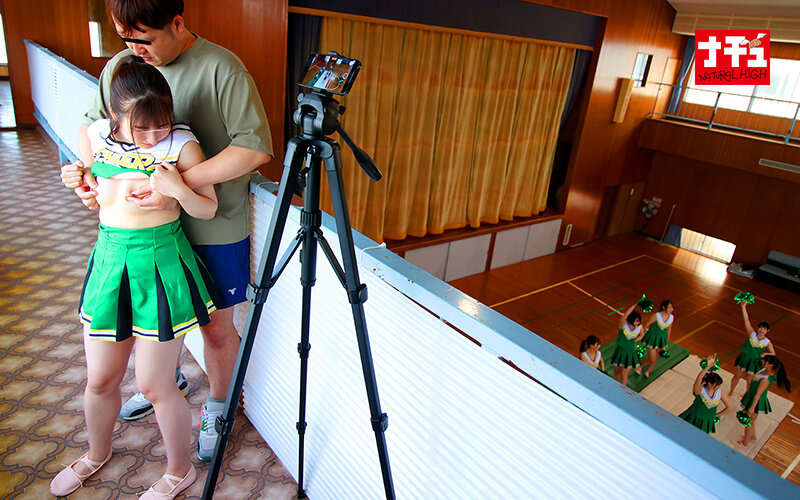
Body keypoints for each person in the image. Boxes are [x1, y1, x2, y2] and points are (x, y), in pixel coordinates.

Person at [60, 0, 273, 461]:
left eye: (145, 40)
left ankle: (219, 407)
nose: (135, 50)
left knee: (215, 329)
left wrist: (175, 188)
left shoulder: (222, 68)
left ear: (177, 24)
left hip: (212, 222)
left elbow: (255, 149)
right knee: (153, 315)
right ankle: (164, 382)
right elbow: (91, 126)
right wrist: (94, 179)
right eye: (125, 39)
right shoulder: (124, 66)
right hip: (148, 231)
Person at [51, 57, 215, 498]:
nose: (153, 136)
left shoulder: (181, 143)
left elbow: (207, 208)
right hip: (110, 263)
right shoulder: (95, 136)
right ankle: (96, 453)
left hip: (160, 264)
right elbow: (94, 194)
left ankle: (179, 471)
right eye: (141, 128)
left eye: (161, 123)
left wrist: (178, 190)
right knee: (100, 379)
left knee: (154, 384)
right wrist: (80, 182)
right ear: (114, 114)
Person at [733, 355, 791, 448]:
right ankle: (752, 436)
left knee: (748, 422)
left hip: (756, 401)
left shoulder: (765, 380)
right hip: (751, 396)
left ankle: (745, 443)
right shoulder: (764, 370)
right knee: (751, 421)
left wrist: (752, 408)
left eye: (765, 361)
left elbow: (758, 394)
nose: (763, 361)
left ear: (771, 365)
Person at [728, 302, 776, 397]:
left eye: (764, 329)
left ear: (767, 331)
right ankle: (731, 391)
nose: (762, 330)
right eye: (761, 328)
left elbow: (773, 353)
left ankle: (746, 394)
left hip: (754, 362)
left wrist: (765, 354)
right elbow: (746, 320)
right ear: (758, 328)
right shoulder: (752, 334)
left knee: (750, 381)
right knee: (737, 376)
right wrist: (743, 306)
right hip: (744, 359)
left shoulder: (767, 342)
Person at [678, 354, 732, 434]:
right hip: (693, 418)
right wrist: (707, 367)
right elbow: (698, 380)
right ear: (709, 383)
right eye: (717, 385)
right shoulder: (700, 390)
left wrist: (716, 415)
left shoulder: (719, 393)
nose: (719, 387)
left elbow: (730, 408)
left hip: (706, 421)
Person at [636, 300, 674, 378]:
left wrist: (666, 341)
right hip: (652, 338)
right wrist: (641, 334)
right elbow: (647, 325)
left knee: (655, 356)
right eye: (669, 307)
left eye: (672, 307)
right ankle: (639, 366)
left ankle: (648, 371)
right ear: (664, 307)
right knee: (652, 359)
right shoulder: (656, 316)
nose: (671, 309)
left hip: (661, 339)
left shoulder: (671, 317)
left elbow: (669, 329)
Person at [610, 304, 644, 386]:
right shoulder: (623, 325)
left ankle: (622, 390)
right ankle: (616, 387)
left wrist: (635, 340)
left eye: (639, 321)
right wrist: (634, 305)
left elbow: (642, 335)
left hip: (631, 353)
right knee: (617, 372)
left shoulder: (640, 328)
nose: (638, 323)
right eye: (636, 321)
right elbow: (625, 315)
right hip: (620, 352)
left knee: (624, 374)